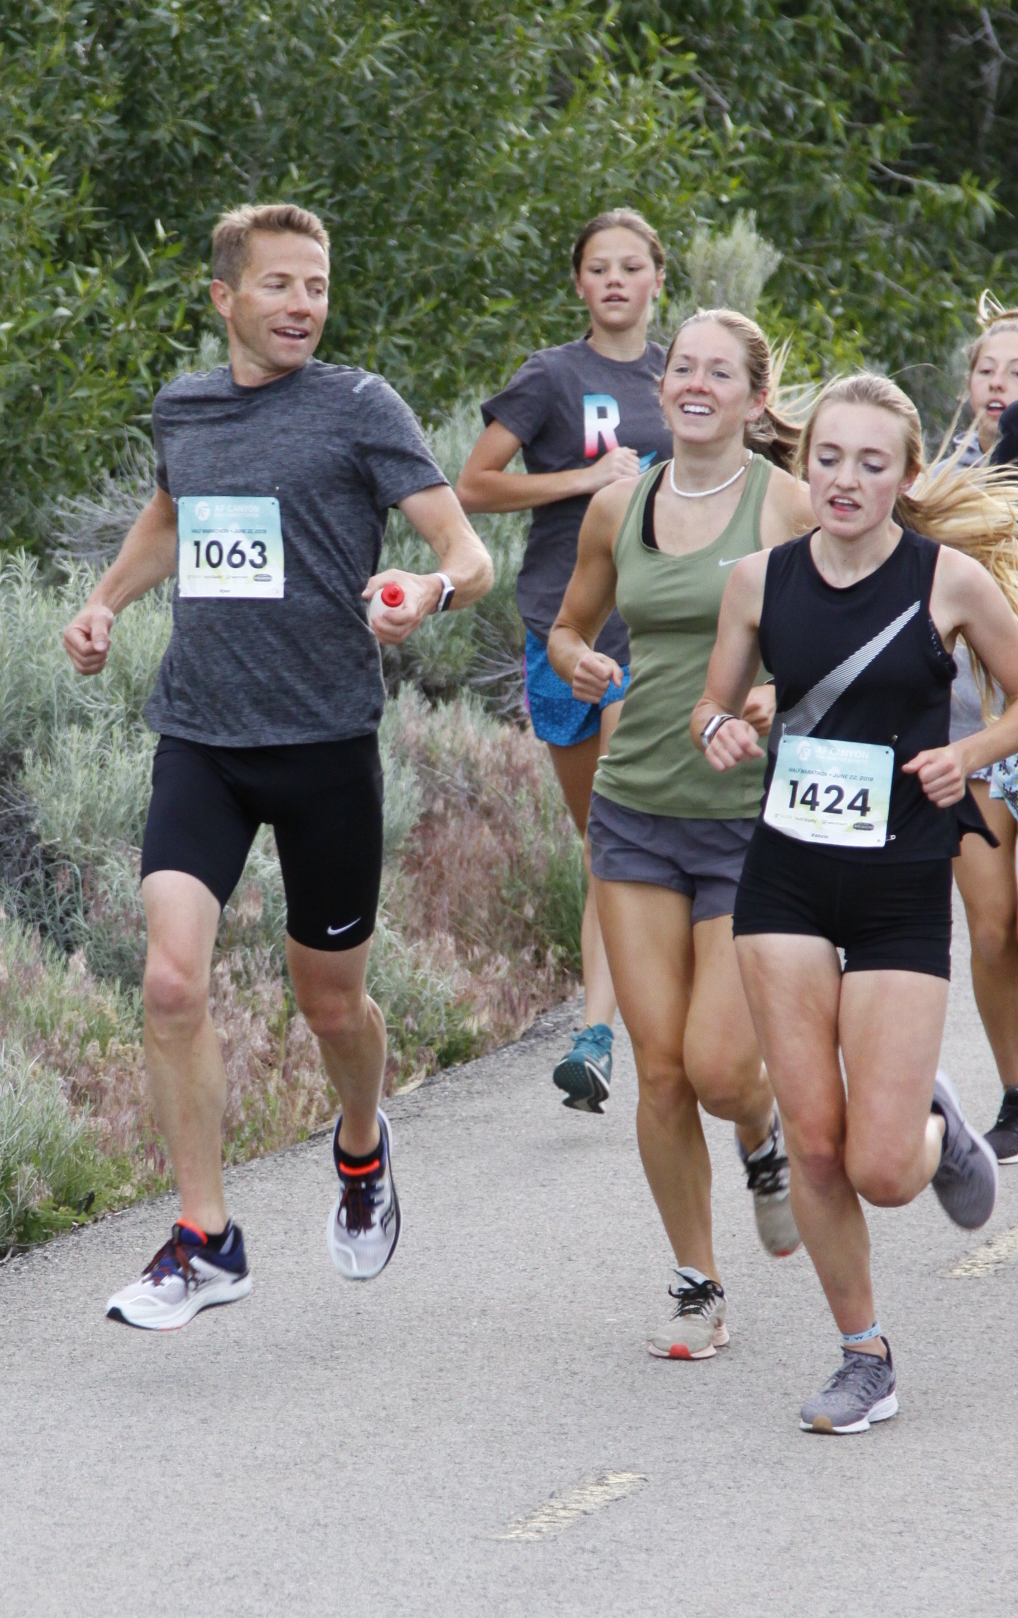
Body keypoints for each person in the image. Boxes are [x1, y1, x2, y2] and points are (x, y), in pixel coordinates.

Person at [61, 202, 493, 1331]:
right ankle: (206, 1239)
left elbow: (468, 552)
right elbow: (173, 517)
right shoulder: (185, 407)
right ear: (224, 298)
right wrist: (105, 601)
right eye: (279, 284)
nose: (303, 305)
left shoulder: (358, 407)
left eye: (318, 286)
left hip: (323, 747)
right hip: (201, 738)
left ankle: (361, 1144)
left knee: (330, 1004)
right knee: (170, 981)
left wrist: (426, 591)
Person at [693, 372, 1018, 1433]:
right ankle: (863, 1356)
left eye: (871, 464)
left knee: (879, 1169)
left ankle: (934, 1127)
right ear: (804, 465)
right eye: (828, 458)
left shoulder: (948, 579)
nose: (844, 479)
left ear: (906, 477)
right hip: (785, 877)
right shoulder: (758, 580)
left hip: (899, 881)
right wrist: (719, 730)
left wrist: (969, 752)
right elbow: (712, 703)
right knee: (816, 1145)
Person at [547, 309, 815, 1356]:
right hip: (634, 813)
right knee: (659, 1070)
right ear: (662, 389)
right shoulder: (619, 505)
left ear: (754, 397)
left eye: (720, 372)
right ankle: (698, 1286)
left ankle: (760, 1129)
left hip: (747, 821)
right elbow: (569, 623)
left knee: (719, 1069)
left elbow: (829, 641)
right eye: (683, 369)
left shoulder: (784, 504)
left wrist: (772, 696)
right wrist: (575, 659)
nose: (696, 384)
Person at [458, 209, 671, 1113]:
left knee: (618, 829)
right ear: (579, 283)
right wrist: (583, 479)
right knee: (601, 843)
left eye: (632, 266)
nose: (616, 280)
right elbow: (474, 485)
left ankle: (598, 1035)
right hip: (560, 624)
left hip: (651, 629)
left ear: (658, 277)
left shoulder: (681, 370)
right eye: (599, 268)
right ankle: (642, 996)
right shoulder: (551, 376)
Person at [941, 298, 1018, 1158]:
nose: (999, 385)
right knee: (991, 925)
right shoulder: (938, 483)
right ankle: (1017, 1094)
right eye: (986, 370)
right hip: (976, 739)